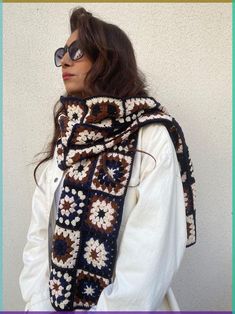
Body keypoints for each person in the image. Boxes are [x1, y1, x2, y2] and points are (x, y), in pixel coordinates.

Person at [19, 6, 196, 312]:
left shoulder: (149, 136)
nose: (64, 60)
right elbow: (38, 239)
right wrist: (38, 305)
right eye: (62, 52)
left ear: (108, 59)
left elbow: (151, 253)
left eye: (76, 51)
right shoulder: (68, 139)